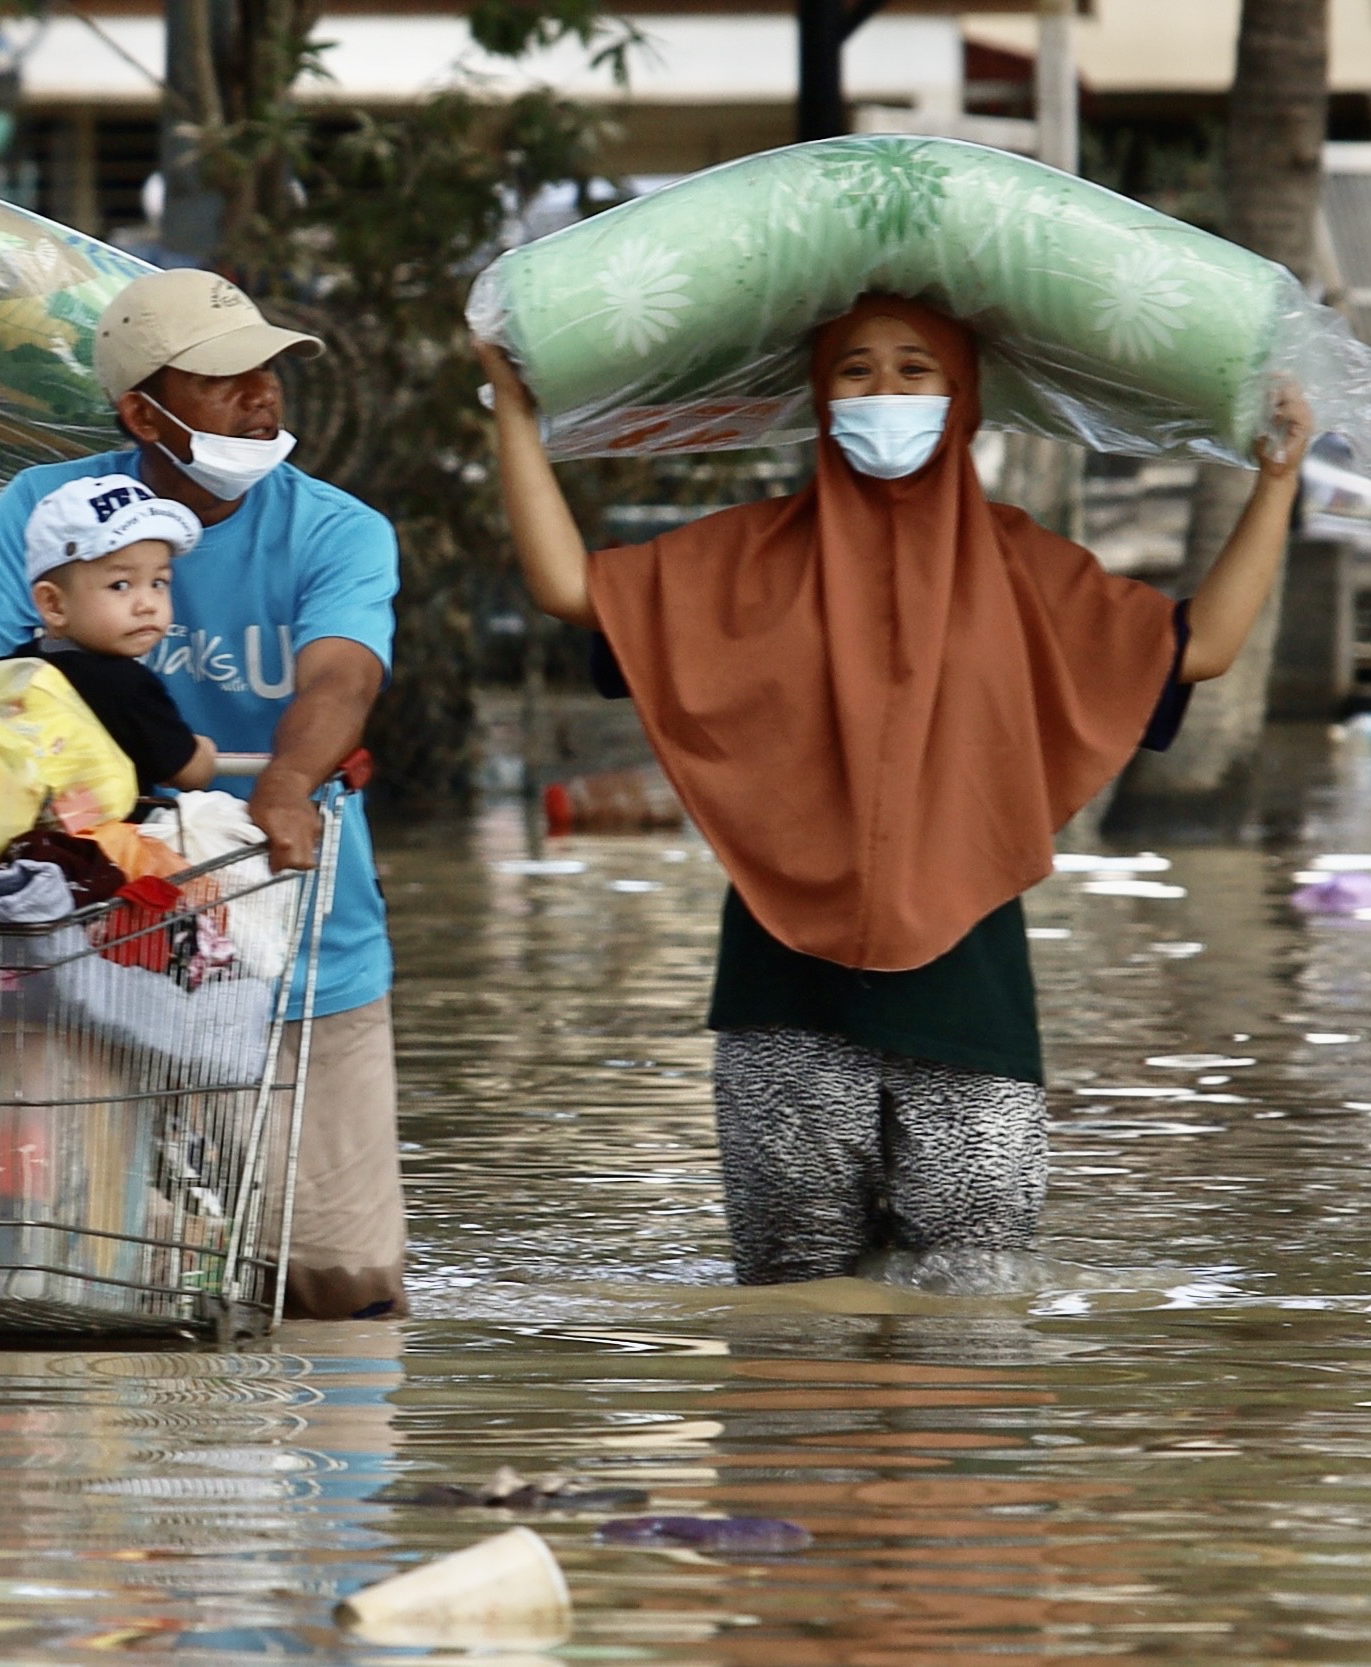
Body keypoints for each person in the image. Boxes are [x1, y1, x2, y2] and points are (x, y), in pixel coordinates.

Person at [477, 294, 1312, 1285]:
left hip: (968, 999)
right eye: (854, 370)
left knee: (971, 1319)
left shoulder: (1023, 568)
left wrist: (1277, 478)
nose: (885, 392)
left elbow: (1201, 646)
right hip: (780, 992)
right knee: (799, 1330)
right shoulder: (743, 554)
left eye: (916, 370)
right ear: (818, 396)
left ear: (962, 399)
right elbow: (570, 586)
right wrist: (516, 418)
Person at [0, 269, 408, 1320]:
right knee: (65, 1268)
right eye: (224, 380)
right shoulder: (47, 511)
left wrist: (290, 785)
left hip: (295, 940)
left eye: (268, 372)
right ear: (140, 411)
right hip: (79, 947)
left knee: (341, 1292)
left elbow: (341, 675)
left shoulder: (338, 530)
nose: (261, 397)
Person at [10, 472, 217, 793]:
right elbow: (190, 774)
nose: (147, 604)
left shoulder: (18, 666)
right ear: (53, 604)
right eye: (120, 585)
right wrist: (203, 750)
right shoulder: (126, 686)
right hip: (103, 841)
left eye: (159, 582)